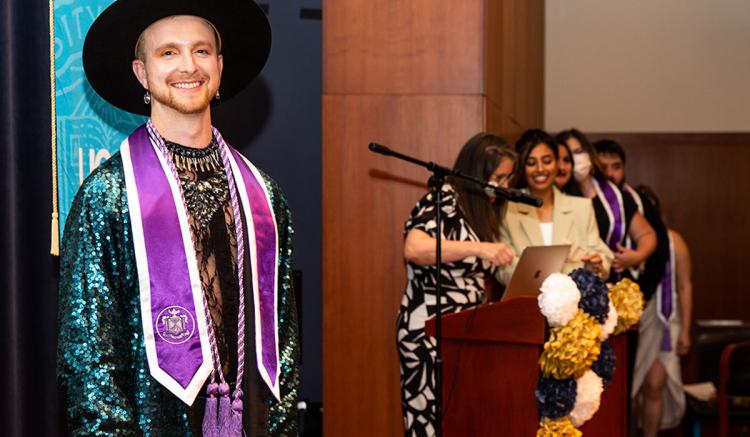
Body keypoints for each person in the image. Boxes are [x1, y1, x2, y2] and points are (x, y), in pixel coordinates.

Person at [57, 2, 298, 435]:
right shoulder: (110, 195)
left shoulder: (263, 196)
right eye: (168, 52)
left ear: (220, 66)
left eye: (201, 51)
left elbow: (284, 346)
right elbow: (89, 363)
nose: (189, 65)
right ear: (141, 73)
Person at [397, 133, 516, 436]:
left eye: (507, 178)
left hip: (463, 331)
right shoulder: (445, 198)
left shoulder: (477, 208)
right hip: (429, 332)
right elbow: (415, 248)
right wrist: (480, 249)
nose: (504, 186)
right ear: (477, 173)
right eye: (499, 177)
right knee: (429, 424)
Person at [495, 129, 612, 286]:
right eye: (531, 163)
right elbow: (502, 270)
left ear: (557, 163)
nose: (540, 169)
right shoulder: (507, 209)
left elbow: (603, 258)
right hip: (526, 303)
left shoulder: (581, 208)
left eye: (547, 160)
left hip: (575, 304)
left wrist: (595, 265)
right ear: (521, 168)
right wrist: (551, 277)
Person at [555, 129, 656, 283]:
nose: (574, 159)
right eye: (568, 155)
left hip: (613, 281)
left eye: (578, 151)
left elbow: (647, 235)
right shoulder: (558, 198)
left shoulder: (615, 197)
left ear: (589, 152)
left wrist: (636, 257)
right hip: (572, 283)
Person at [631, 186, 692, 436]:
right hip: (634, 320)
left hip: (664, 319)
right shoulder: (625, 240)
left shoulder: (672, 240)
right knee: (631, 392)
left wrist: (685, 330)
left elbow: (685, 285)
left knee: (655, 385)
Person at [594, 139, 669, 300]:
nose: (609, 174)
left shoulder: (637, 200)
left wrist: (637, 257)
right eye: (603, 167)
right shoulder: (587, 198)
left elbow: (661, 244)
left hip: (634, 290)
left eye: (616, 167)